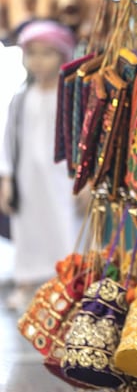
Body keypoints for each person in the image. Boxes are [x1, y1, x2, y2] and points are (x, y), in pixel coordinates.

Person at [0, 20, 83, 311]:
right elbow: (9, 141)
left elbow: (80, 139)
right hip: (27, 180)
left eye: (46, 53)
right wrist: (6, 180)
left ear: (62, 56)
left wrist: (83, 183)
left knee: (64, 228)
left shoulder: (71, 96)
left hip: (61, 179)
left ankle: (68, 289)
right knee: (28, 231)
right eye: (31, 53)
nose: (37, 60)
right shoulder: (21, 98)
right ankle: (27, 285)